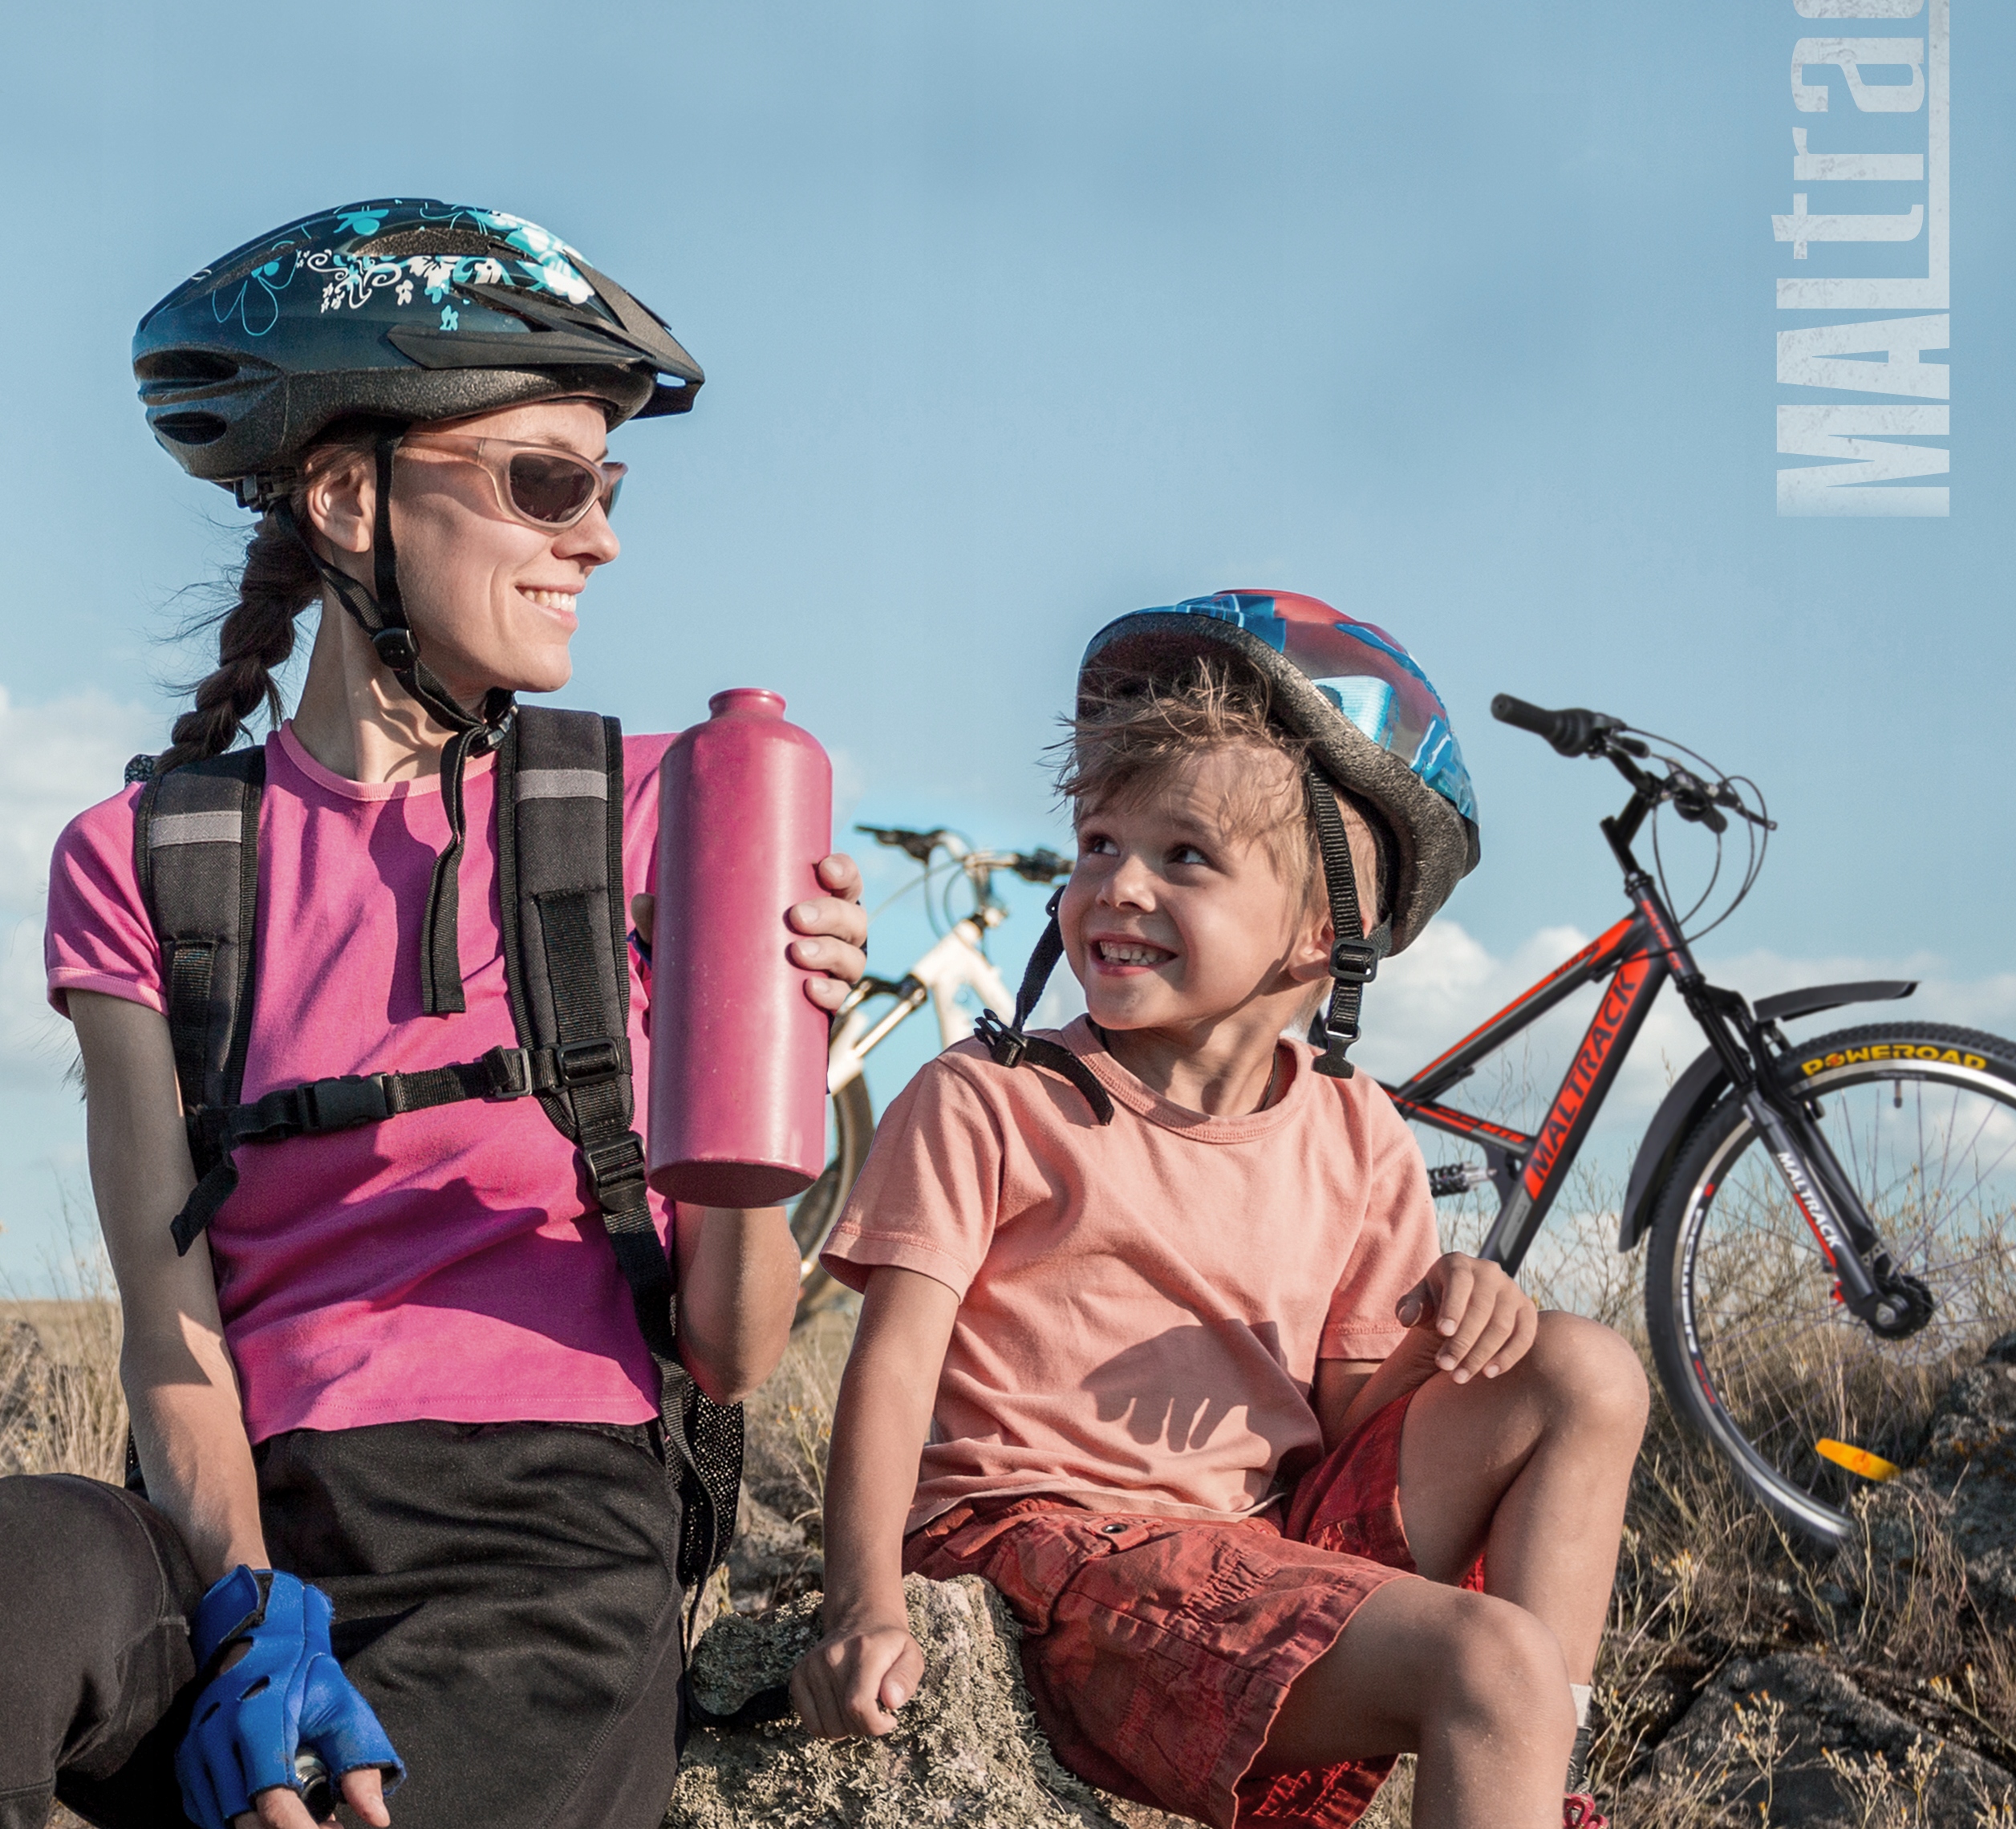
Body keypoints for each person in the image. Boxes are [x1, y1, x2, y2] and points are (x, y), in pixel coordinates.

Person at [0, 200, 867, 1829]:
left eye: (606, 487)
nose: (597, 540)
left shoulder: (668, 809)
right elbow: (172, 1335)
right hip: (232, 1535)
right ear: (350, 496)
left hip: (547, 1551)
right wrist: (249, 1612)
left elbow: (734, 1348)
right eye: (544, 481)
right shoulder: (143, 857)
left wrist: (768, 1090)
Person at [789, 590, 1649, 1829]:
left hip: (1255, 1548)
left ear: (1323, 933)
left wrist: (1453, 1328)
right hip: (1046, 1552)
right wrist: (864, 1605)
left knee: (1585, 1370)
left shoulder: (1356, 1132)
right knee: (1491, 1663)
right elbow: (890, 1370)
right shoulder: (991, 1099)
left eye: (1183, 856)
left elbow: (1354, 1424)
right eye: (1099, 844)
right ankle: (1510, 1720)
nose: (1117, 886)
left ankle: (1533, 1770)